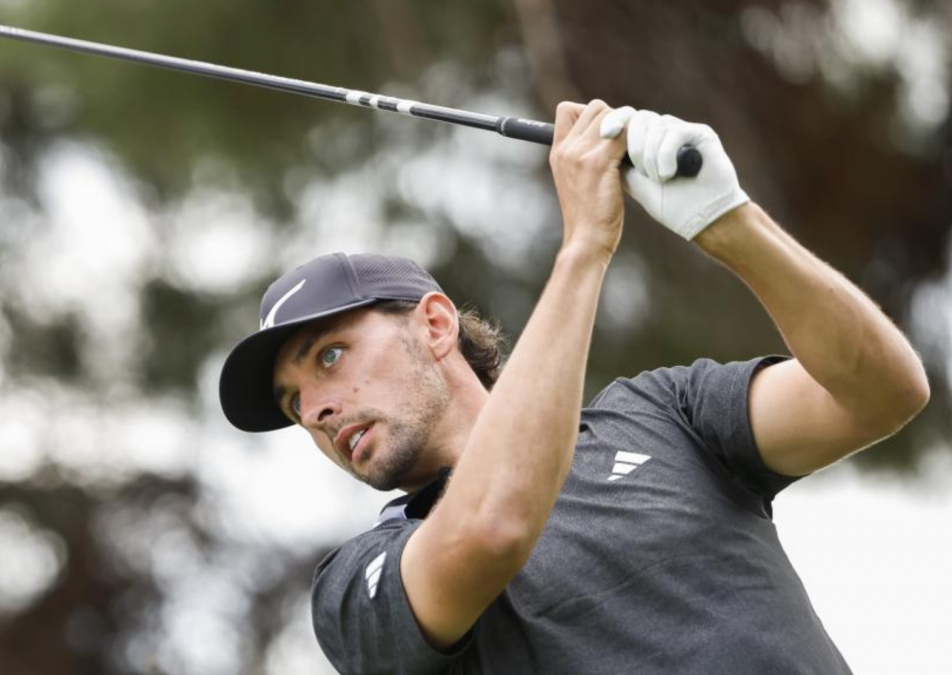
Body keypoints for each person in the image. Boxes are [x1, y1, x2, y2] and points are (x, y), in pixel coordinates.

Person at [217, 100, 930, 674]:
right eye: (292, 403)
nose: (315, 410)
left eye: (330, 356)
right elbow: (495, 522)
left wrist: (728, 224)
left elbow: (881, 394)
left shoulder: (664, 413)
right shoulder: (357, 583)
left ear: (434, 325)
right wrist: (585, 245)